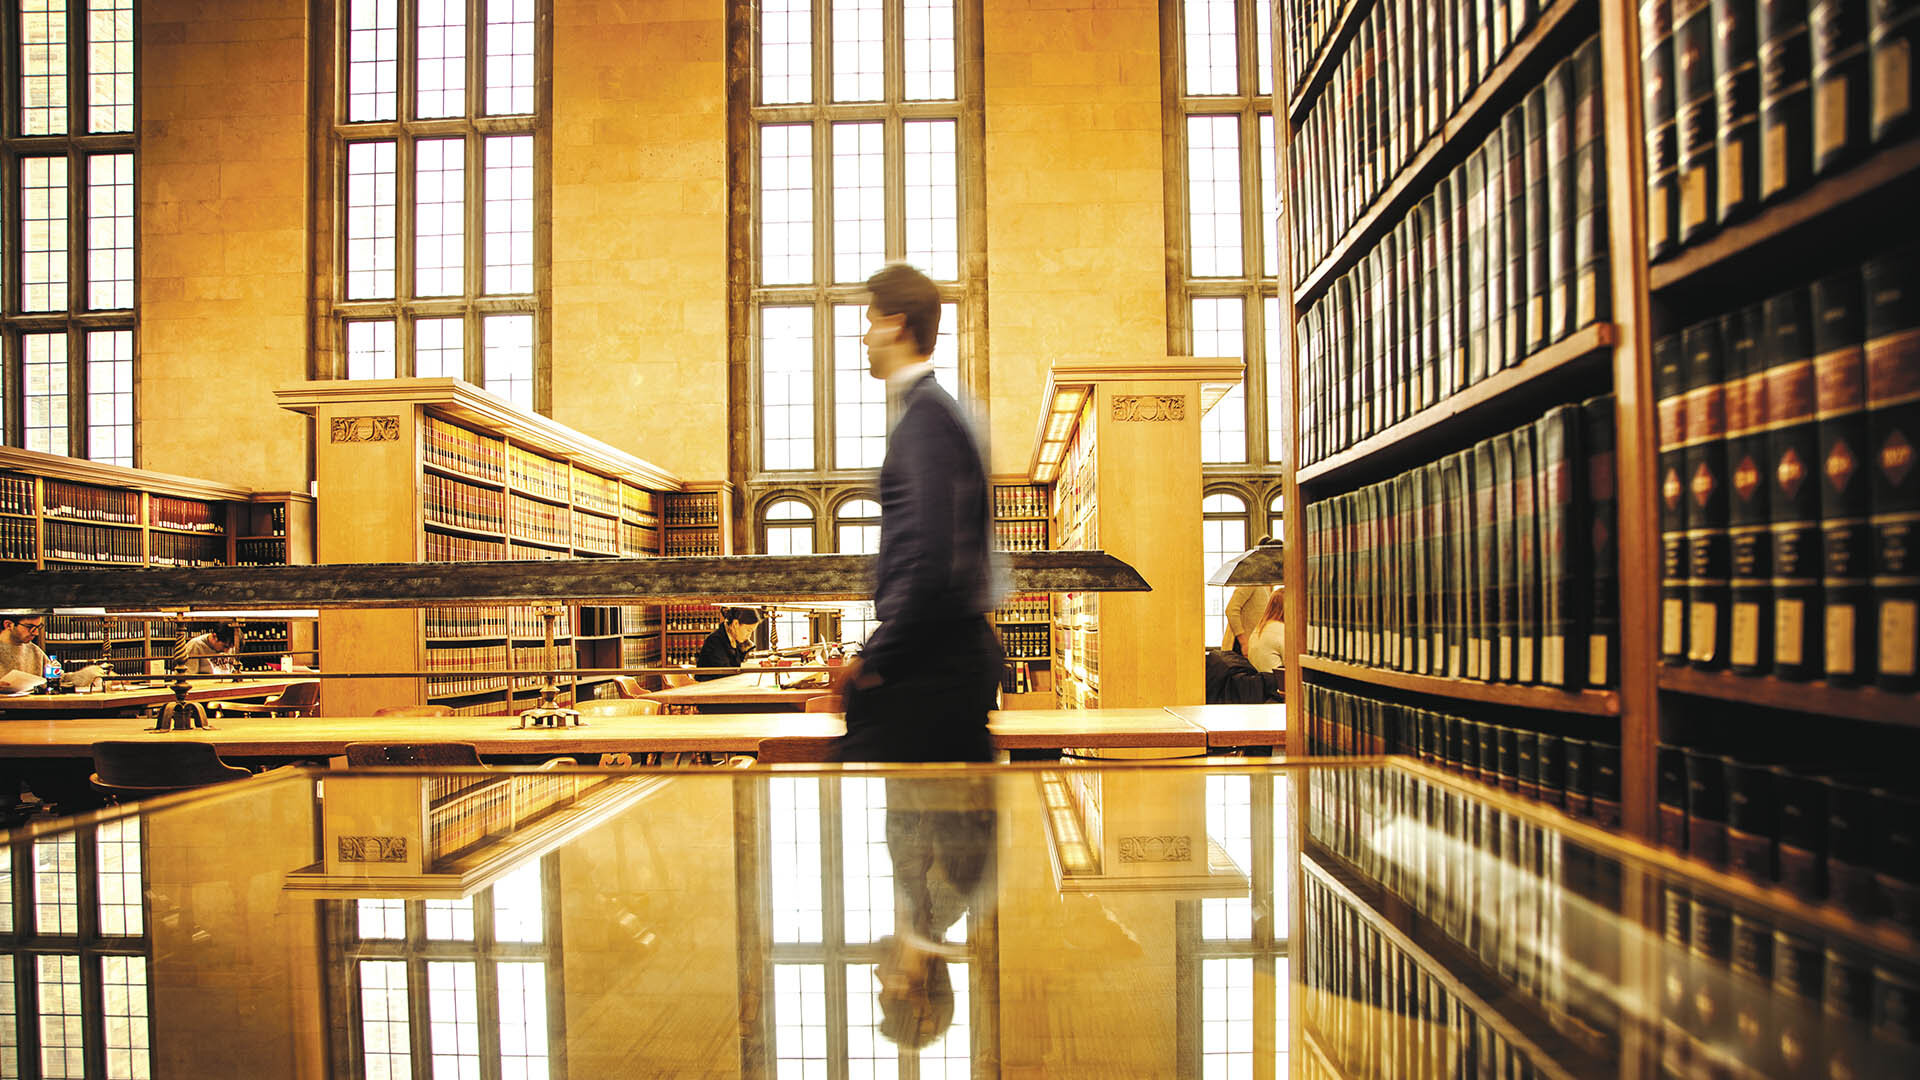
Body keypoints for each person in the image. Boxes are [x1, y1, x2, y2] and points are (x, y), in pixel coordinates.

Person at [829, 262, 1005, 763]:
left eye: (870, 321)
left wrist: (875, 659)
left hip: (930, 674)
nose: (865, 338)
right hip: (942, 663)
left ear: (897, 324)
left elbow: (928, 556)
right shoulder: (933, 412)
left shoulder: (925, 420)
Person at [1220, 536, 1276, 653]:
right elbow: (1231, 610)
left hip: (1255, 644)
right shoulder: (1252, 579)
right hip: (1240, 646)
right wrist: (1244, 642)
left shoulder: (1267, 582)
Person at [694, 606, 760, 681]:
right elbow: (726, 673)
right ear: (735, 624)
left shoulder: (734, 638)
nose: (749, 635)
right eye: (748, 630)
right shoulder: (715, 641)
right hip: (709, 688)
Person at [1244, 587, 1286, 673]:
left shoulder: (1259, 629)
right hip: (1277, 683)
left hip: (1261, 683)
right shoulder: (1283, 631)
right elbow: (1294, 665)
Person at [0, 614, 49, 680]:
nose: (36, 633)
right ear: (8, 625)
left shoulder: (35, 651)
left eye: (38, 627)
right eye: (30, 627)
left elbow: (57, 675)